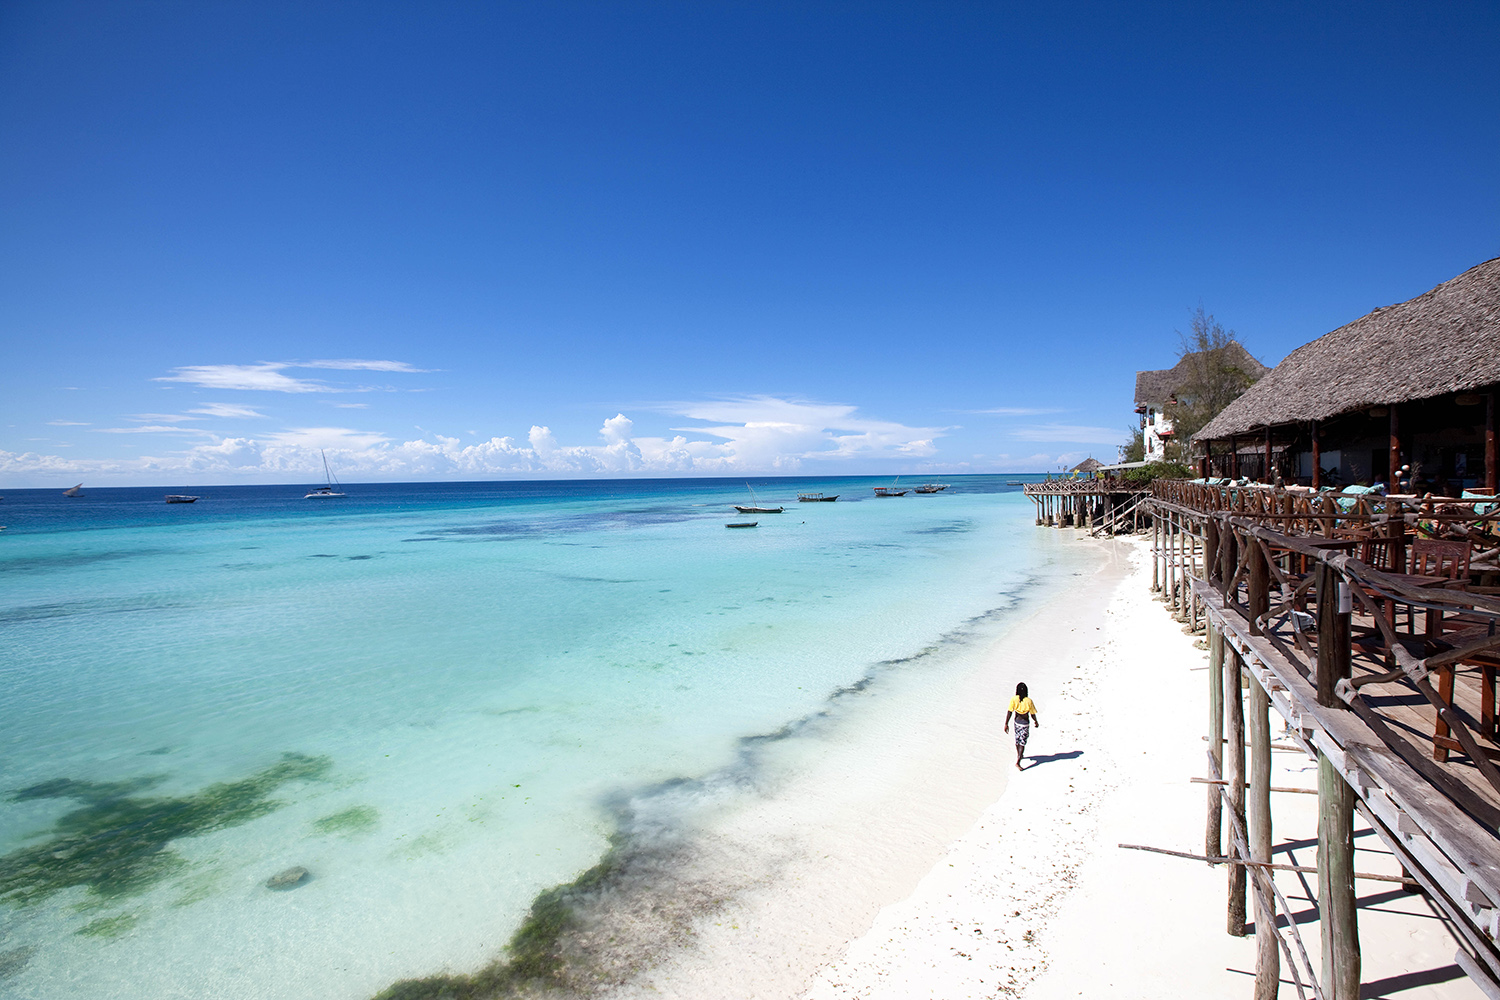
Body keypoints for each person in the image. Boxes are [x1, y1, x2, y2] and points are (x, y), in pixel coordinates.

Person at [1004, 682, 1039, 770]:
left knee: (1017, 740)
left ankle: (1019, 755)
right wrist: (1036, 721)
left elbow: (1010, 712)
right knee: (1022, 742)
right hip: (1024, 724)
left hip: (1016, 723)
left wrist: (1006, 724)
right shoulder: (1028, 701)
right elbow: (1032, 714)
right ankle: (1018, 762)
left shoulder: (1014, 699)